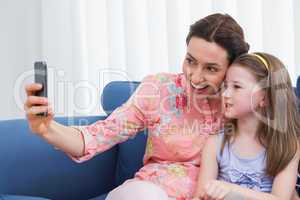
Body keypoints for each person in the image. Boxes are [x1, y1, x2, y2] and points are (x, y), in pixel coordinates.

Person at [24, 13, 249, 199]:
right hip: (151, 192)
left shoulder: (244, 102)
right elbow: (98, 136)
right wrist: (48, 130)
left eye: (211, 69)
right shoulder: (158, 89)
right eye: (190, 61)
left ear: (232, 68)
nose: (196, 77)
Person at [194, 52, 300, 200]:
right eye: (226, 86)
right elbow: (200, 197)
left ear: (264, 98)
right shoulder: (215, 143)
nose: (225, 94)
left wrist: (232, 189)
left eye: (236, 87)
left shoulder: (288, 146)